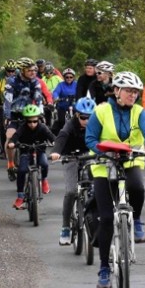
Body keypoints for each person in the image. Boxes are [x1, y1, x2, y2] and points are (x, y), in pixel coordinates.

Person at [84, 71, 145, 288]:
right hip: (103, 165)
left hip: (130, 162)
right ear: (117, 91)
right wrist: (101, 150)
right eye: (129, 91)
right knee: (106, 217)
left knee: (137, 186)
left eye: (136, 92)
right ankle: (104, 269)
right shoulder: (101, 111)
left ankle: (136, 220)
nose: (133, 95)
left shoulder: (139, 112)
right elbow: (90, 138)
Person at [50, 97, 96, 245]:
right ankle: (65, 228)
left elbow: (104, 139)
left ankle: (95, 221)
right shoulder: (70, 125)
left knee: (97, 187)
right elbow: (61, 138)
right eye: (83, 117)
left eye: (90, 117)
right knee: (71, 192)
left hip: (88, 156)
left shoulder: (97, 125)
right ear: (77, 115)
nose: (87, 121)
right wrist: (56, 152)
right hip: (69, 157)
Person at [3, 57, 46, 180]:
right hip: (14, 113)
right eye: (29, 70)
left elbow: (38, 99)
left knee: (35, 137)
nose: (33, 73)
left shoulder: (35, 82)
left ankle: (35, 161)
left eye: (34, 70)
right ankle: (10, 164)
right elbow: (7, 100)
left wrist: (40, 114)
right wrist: (7, 116)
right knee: (10, 136)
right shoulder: (12, 81)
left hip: (29, 113)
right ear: (22, 71)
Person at [7, 105, 56, 209]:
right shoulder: (22, 128)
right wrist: (12, 143)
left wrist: (54, 142)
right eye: (29, 122)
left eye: (35, 121)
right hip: (26, 151)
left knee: (44, 163)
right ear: (26, 121)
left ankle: (44, 180)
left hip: (40, 150)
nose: (32, 124)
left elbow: (51, 136)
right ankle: (20, 196)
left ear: (38, 119)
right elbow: (15, 137)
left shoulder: (42, 127)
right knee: (21, 170)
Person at [51, 68, 78, 134]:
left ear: (73, 77)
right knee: (61, 121)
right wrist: (56, 97)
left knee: (78, 121)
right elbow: (56, 92)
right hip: (62, 106)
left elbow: (81, 91)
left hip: (74, 106)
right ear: (64, 77)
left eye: (71, 77)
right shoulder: (61, 85)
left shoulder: (76, 84)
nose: (69, 78)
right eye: (67, 77)